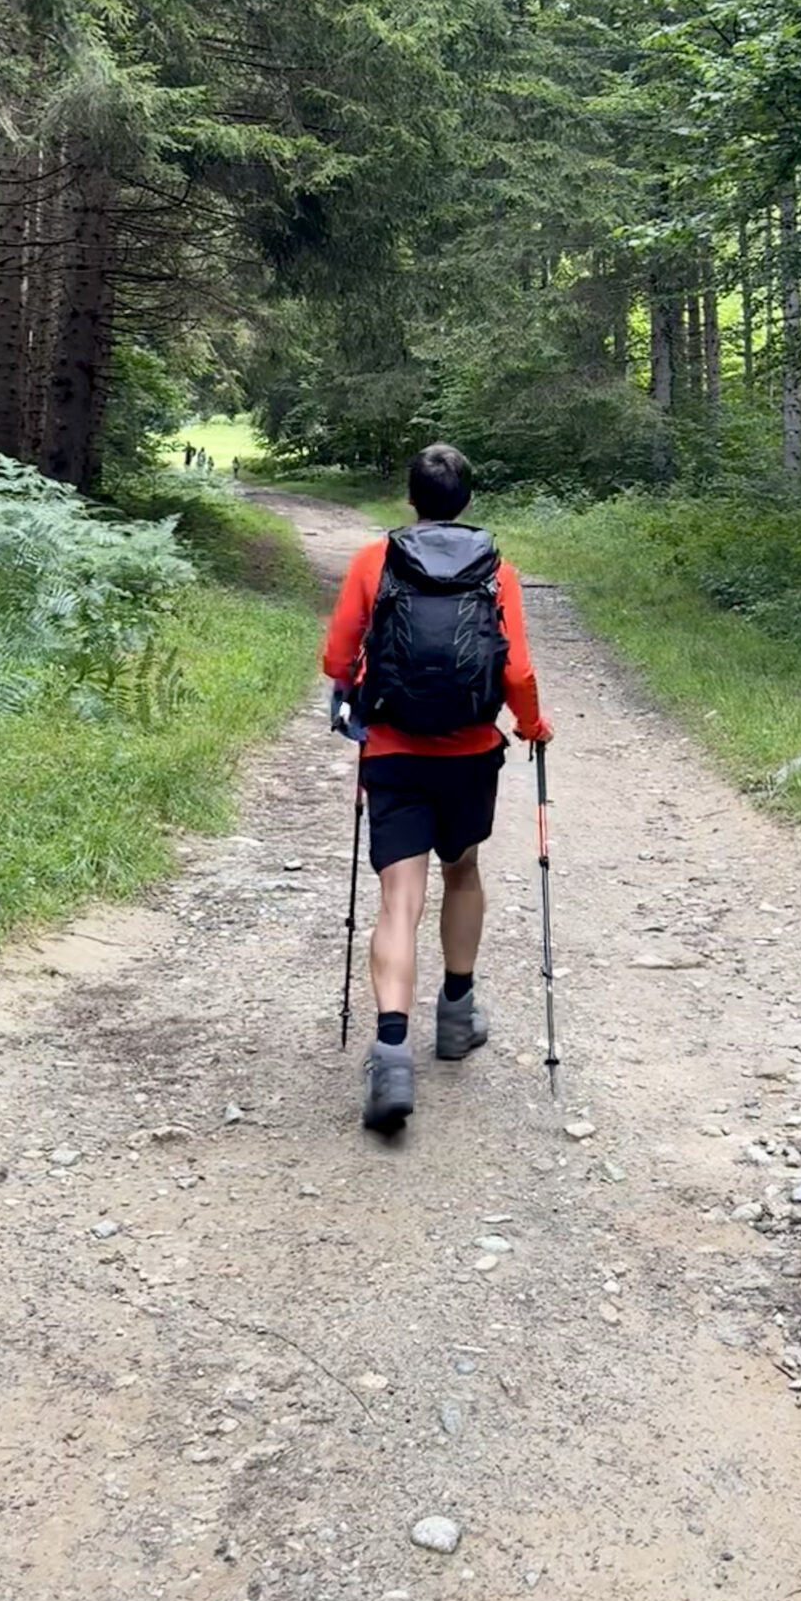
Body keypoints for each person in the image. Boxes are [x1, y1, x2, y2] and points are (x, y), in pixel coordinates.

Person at [321, 441, 553, 1131]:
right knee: (464, 870)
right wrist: (534, 726)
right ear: (469, 502)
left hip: (391, 750)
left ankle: (391, 1051)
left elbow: (337, 656)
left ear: (411, 500)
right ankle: (456, 1015)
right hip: (469, 752)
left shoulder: (375, 560)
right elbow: (514, 672)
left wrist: (352, 697)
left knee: (399, 899)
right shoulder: (497, 571)